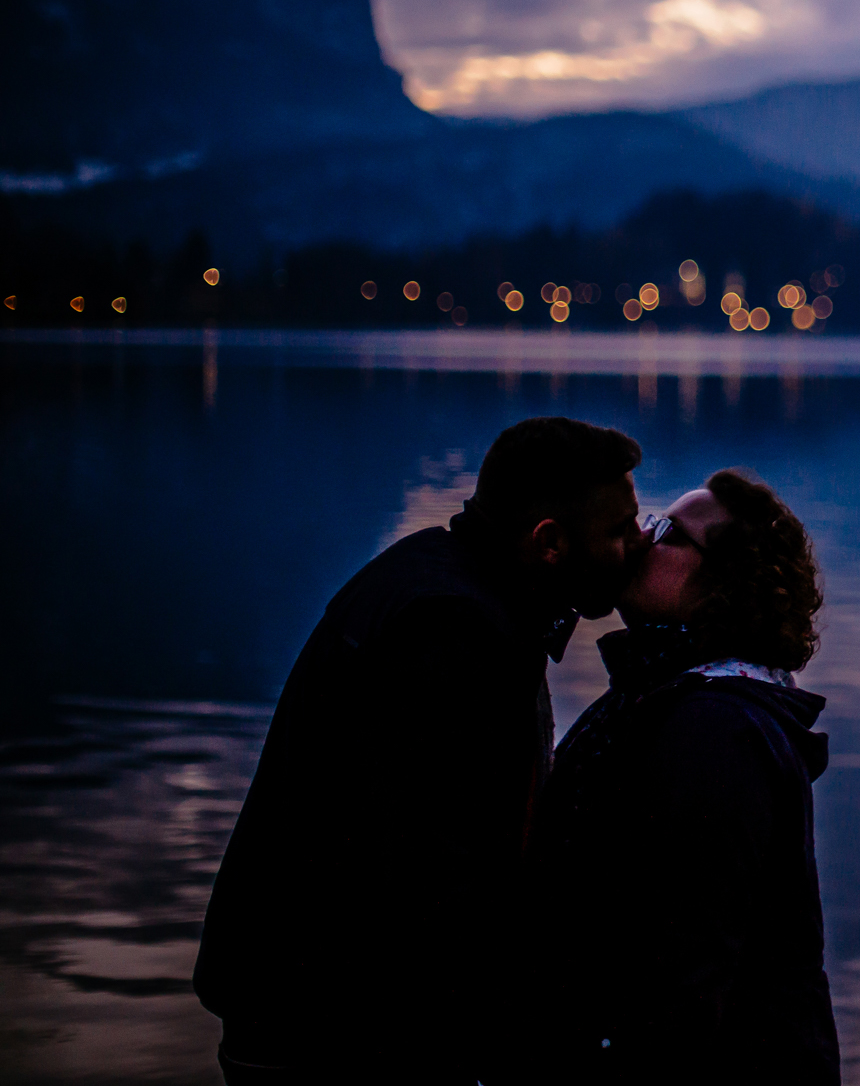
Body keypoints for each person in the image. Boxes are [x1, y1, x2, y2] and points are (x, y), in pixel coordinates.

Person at [194, 417, 647, 1084]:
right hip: (326, 1030)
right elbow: (435, 873)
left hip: (309, 1006)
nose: (640, 544)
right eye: (620, 530)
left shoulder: (449, 581)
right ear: (549, 542)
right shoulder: (453, 630)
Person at [527, 469, 839, 1085]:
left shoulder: (716, 729)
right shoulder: (669, 698)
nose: (642, 538)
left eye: (669, 532)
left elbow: (684, 976)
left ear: (726, 583)